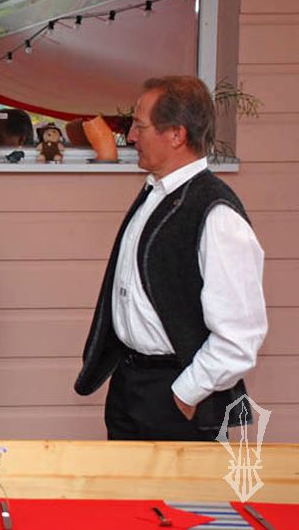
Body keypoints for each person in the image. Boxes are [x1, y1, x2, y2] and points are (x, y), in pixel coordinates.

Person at [74, 76, 267, 441]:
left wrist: (186, 392)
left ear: (177, 134)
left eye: (140, 126)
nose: (131, 136)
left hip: (179, 394)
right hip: (131, 384)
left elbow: (241, 336)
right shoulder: (156, 193)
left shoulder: (217, 215)